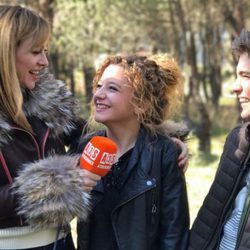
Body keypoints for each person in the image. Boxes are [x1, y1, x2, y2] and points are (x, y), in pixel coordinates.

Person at [0, 5, 100, 250]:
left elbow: (93, 134)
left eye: (45, 51)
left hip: (61, 242)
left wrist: (157, 139)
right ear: (4, 54)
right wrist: (54, 185)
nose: (44, 62)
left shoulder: (45, 99)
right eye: (36, 51)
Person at [71, 54, 190, 250]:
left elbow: (174, 233)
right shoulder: (83, 147)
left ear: (141, 104)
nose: (98, 95)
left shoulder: (163, 152)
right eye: (99, 86)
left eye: (112, 88)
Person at [189, 29, 250, 250]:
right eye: (237, 75)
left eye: (246, 76)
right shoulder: (238, 140)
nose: (235, 87)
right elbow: (208, 223)